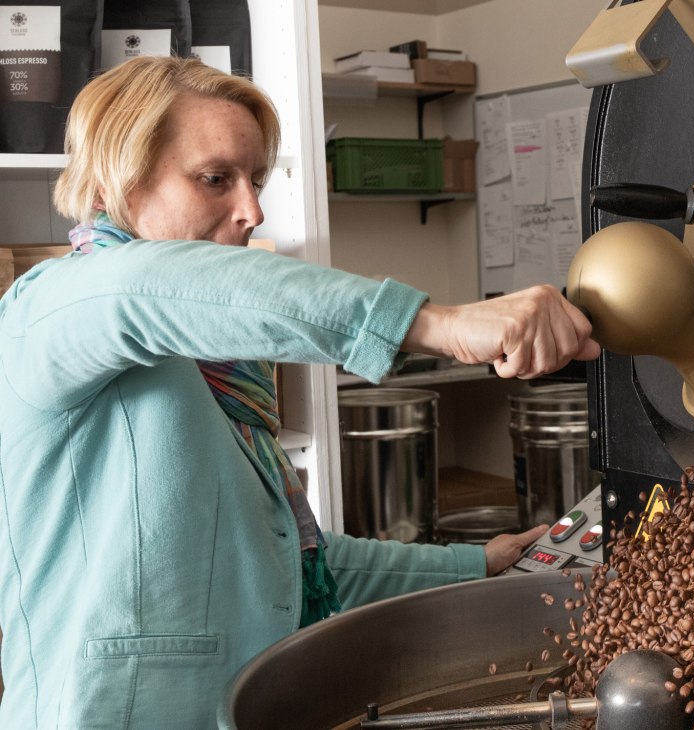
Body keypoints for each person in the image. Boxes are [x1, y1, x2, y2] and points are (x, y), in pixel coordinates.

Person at [0, 56, 600, 728]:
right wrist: (442, 325)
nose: (251, 211)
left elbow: (290, 564)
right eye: (215, 179)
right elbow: (150, 285)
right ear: (119, 180)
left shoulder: (221, 373)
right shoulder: (48, 309)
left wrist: (478, 564)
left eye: (255, 181)